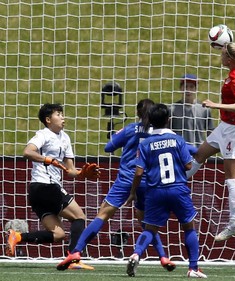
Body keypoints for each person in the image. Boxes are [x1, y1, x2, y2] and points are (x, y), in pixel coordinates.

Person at [56, 99, 176, 271]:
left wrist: (116, 134)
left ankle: (76, 252)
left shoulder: (130, 129)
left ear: (137, 113)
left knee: (102, 216)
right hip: (148, 182)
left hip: (126, 179)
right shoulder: (160, 134)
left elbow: (108, 147)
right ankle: (163, 257)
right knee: (147, 224)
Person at [6, 103, 100, 270]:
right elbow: (27, 152)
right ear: (48, 120)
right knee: (79, 217)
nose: (63, 117)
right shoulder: (43, 135)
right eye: (58, 114)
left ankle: (18, 236)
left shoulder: (65, 138)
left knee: (59, 235)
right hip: (45, 186)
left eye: (62, 114)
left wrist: (82, 174)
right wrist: (47, 159)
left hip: (39, 191)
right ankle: (74, 258)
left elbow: (70, 170)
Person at [185, 36, 235, 241]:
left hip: (234, 131)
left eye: (222, 54)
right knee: (200, 155)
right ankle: (174, 184)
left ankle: (234, 224)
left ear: (229, 58)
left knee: (231, 176)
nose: (220, 56)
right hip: (227, 126)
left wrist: (214, 105)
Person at [125, 103, 207, 278]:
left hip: (155, 191)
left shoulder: (145, 144)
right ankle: (193, 268)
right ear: (168, 120)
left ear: (151, 121)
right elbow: (188, 164)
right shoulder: (177, 139)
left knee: (150, 229)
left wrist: (133, 192)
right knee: (189, 227)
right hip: (177, 189)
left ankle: (136, 253)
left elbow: (138, 172)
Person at [170, 74, 215, 146]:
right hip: (179, 151)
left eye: (191, 87)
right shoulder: (172, 110)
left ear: (196, 89)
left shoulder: (204, 109)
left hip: (198, 151)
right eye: (185, 87)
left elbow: (210, 131)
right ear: (180, 88)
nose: (188, 90)